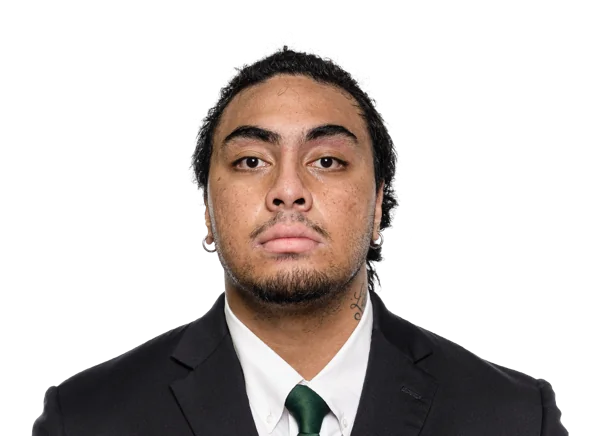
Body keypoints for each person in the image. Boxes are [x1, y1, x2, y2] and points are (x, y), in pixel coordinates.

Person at [33, 40, 566, 435]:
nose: (288, 190)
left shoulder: (514, 418)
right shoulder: (85, 420)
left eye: (327, 161)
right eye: (251, 161)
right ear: (208, 212)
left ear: (378, 204)